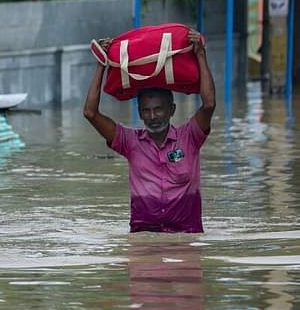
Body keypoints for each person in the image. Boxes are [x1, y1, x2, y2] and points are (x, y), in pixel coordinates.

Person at [83, 29, 215, 233]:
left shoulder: (190, 137)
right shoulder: (130, 142)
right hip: (143, 238)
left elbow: (209, 105)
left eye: (158, 109)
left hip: (186, 237)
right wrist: (102, 64)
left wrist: (200, 55)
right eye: (146, 111)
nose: (153, 117)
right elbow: (90, 113)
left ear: (172, 110)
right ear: (140, 113)